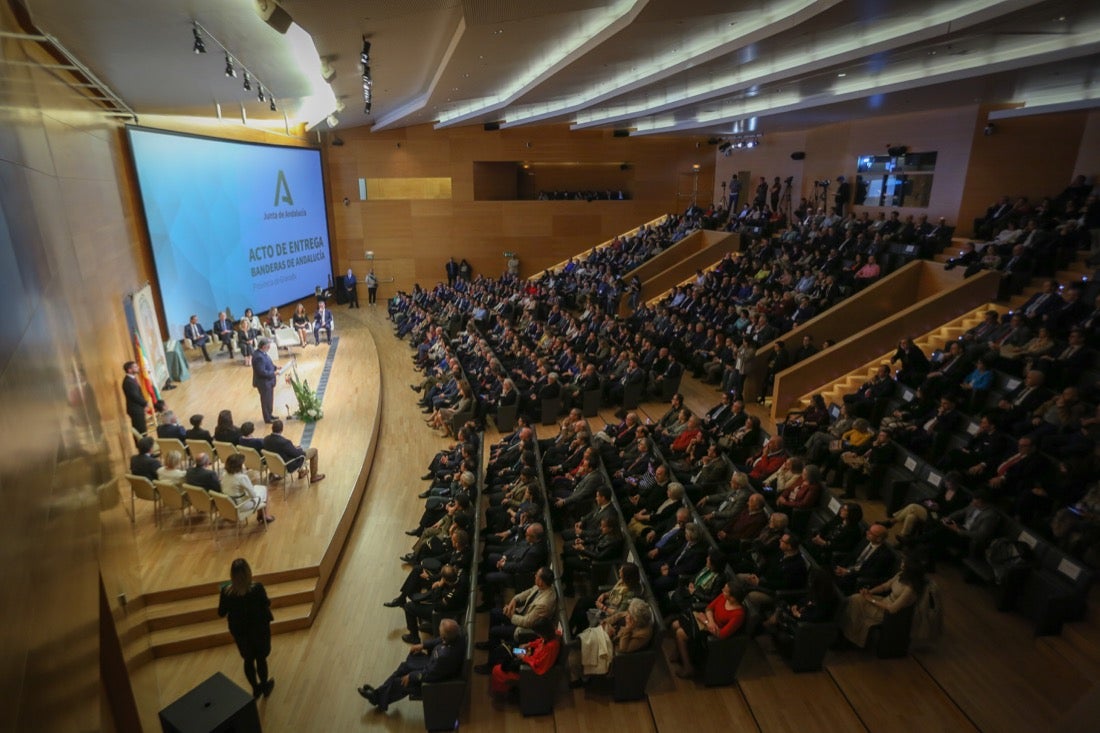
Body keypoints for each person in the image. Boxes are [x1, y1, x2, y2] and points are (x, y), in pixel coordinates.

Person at [357, 618, 464, 713]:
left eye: (441, 633)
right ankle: (377, 694)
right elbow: (440, 640)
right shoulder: (456, 635)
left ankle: (377, 698)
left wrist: (411, 676)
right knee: (404, 667)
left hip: (434, 679)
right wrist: (423, 645)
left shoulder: (444, 656)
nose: (440, 635)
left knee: (401, 682)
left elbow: (429, 675)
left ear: (445, 635)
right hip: (432, 665)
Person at [840, 556, 927, 648]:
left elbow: (892, 609)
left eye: (903, 562)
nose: (901, 563)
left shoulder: (910, 589)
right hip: (883, 601)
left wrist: (871, 599)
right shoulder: (901, 575)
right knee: (855, 598)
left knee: (856, 605)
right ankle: (847, 632)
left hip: (887, 613)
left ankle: (851, 637)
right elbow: (885, 586)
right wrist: (869, 592)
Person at [218, 558, 274, 699]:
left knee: (248, 660)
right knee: (261, 658)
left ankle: (255, 689)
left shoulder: (226, 592)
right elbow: (266, 603)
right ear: (248, 572)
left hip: (241, 633)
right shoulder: (257, 588)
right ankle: (265, 686)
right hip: (259, 630)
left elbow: (221, 613)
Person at [668, 581, 745, 678]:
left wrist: (706, 622)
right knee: (674, 624)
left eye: (725, 591)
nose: (722, 591)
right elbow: (709, 609)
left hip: (712, 633)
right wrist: (710, 621)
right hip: (708, 622)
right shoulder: (723, 597)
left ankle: (688, 667)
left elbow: (722, 634)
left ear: (733, 598)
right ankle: (678, 651)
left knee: (680, 633)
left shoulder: (738, 615)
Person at [487, 618, 561, 698]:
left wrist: (524, 657)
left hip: (529, 666)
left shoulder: (551, 647)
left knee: (498, 670)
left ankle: (503, 691)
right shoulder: (551, 635)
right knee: (511, 648)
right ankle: (506, 657)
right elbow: (540, 641)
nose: (538, 635)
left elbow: (539, 665)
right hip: (530, 655)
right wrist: (528, 645)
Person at [221, 453, 273, 523]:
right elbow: (253, 495)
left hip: (229, 503)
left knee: (259, 489)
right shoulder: (242, 477)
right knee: (264, 490)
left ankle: (260, 515)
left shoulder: (225, 474)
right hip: (241, 505)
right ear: (239, 466)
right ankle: (265, 516)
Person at [251, 338, 281, 425]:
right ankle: (267, 418)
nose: (270, 347)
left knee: (269, 399)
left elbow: (268, 364)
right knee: (265, 401)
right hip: (263, 383)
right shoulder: (258, 357)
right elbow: (261, 372)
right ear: (264, 346)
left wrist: (275, 367)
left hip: (268, 382)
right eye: (268, 346)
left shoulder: (262, 354)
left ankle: (270, 414)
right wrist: (273, 373)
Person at [122, 360, 148, 435]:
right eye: (135, 367)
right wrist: (145, 403)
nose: (138, 368)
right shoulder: (128, 382)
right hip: (135, 410)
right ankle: (144, 446)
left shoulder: (132, 379)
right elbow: (135, 396)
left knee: (143, 429)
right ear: (129, 370)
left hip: (138, 408)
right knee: (141, 430)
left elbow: (139, 393)